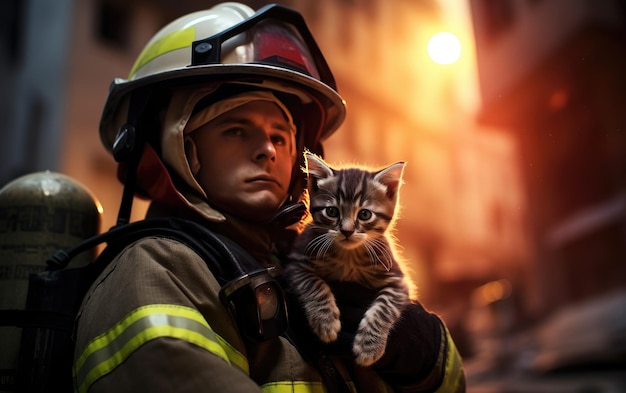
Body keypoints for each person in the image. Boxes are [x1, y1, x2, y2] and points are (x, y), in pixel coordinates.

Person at [73, 3, 466, 393]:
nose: (268, 151)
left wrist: (424, 354)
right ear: (179, 148)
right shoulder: (156, 270)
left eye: (280, 136)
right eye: (236, 130)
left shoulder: (297, 259)